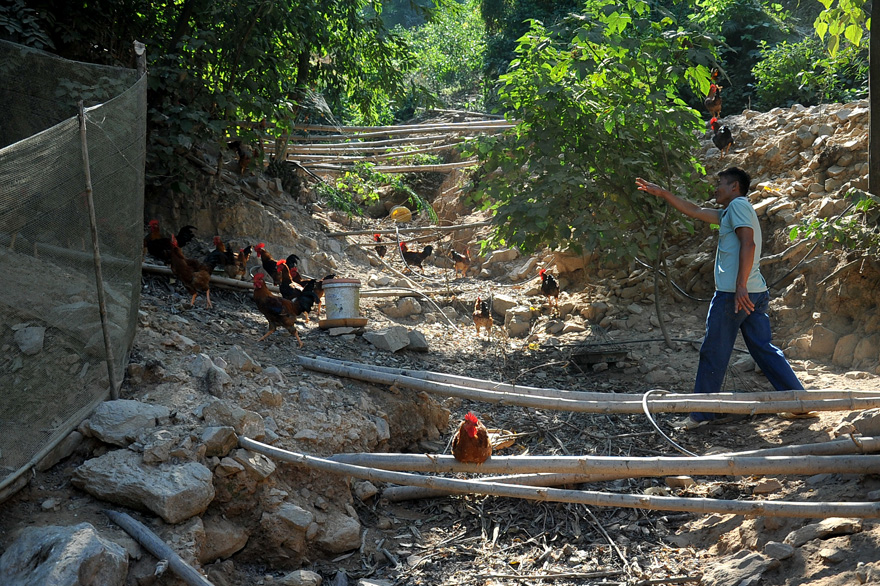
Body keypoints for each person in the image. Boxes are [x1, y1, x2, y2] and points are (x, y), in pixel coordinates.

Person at [635, 168, 805, 428]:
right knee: (763, 349)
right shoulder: (731, 211)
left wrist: (739, 286)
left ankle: (702, 413)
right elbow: (695, 210)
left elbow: (748, 244)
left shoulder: (737, 206)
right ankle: (799, 403)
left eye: (720, 184)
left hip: (734, 296)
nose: (715, 189)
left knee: (713, 352)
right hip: (754, 292)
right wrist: (663, 192)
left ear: (734, 186)